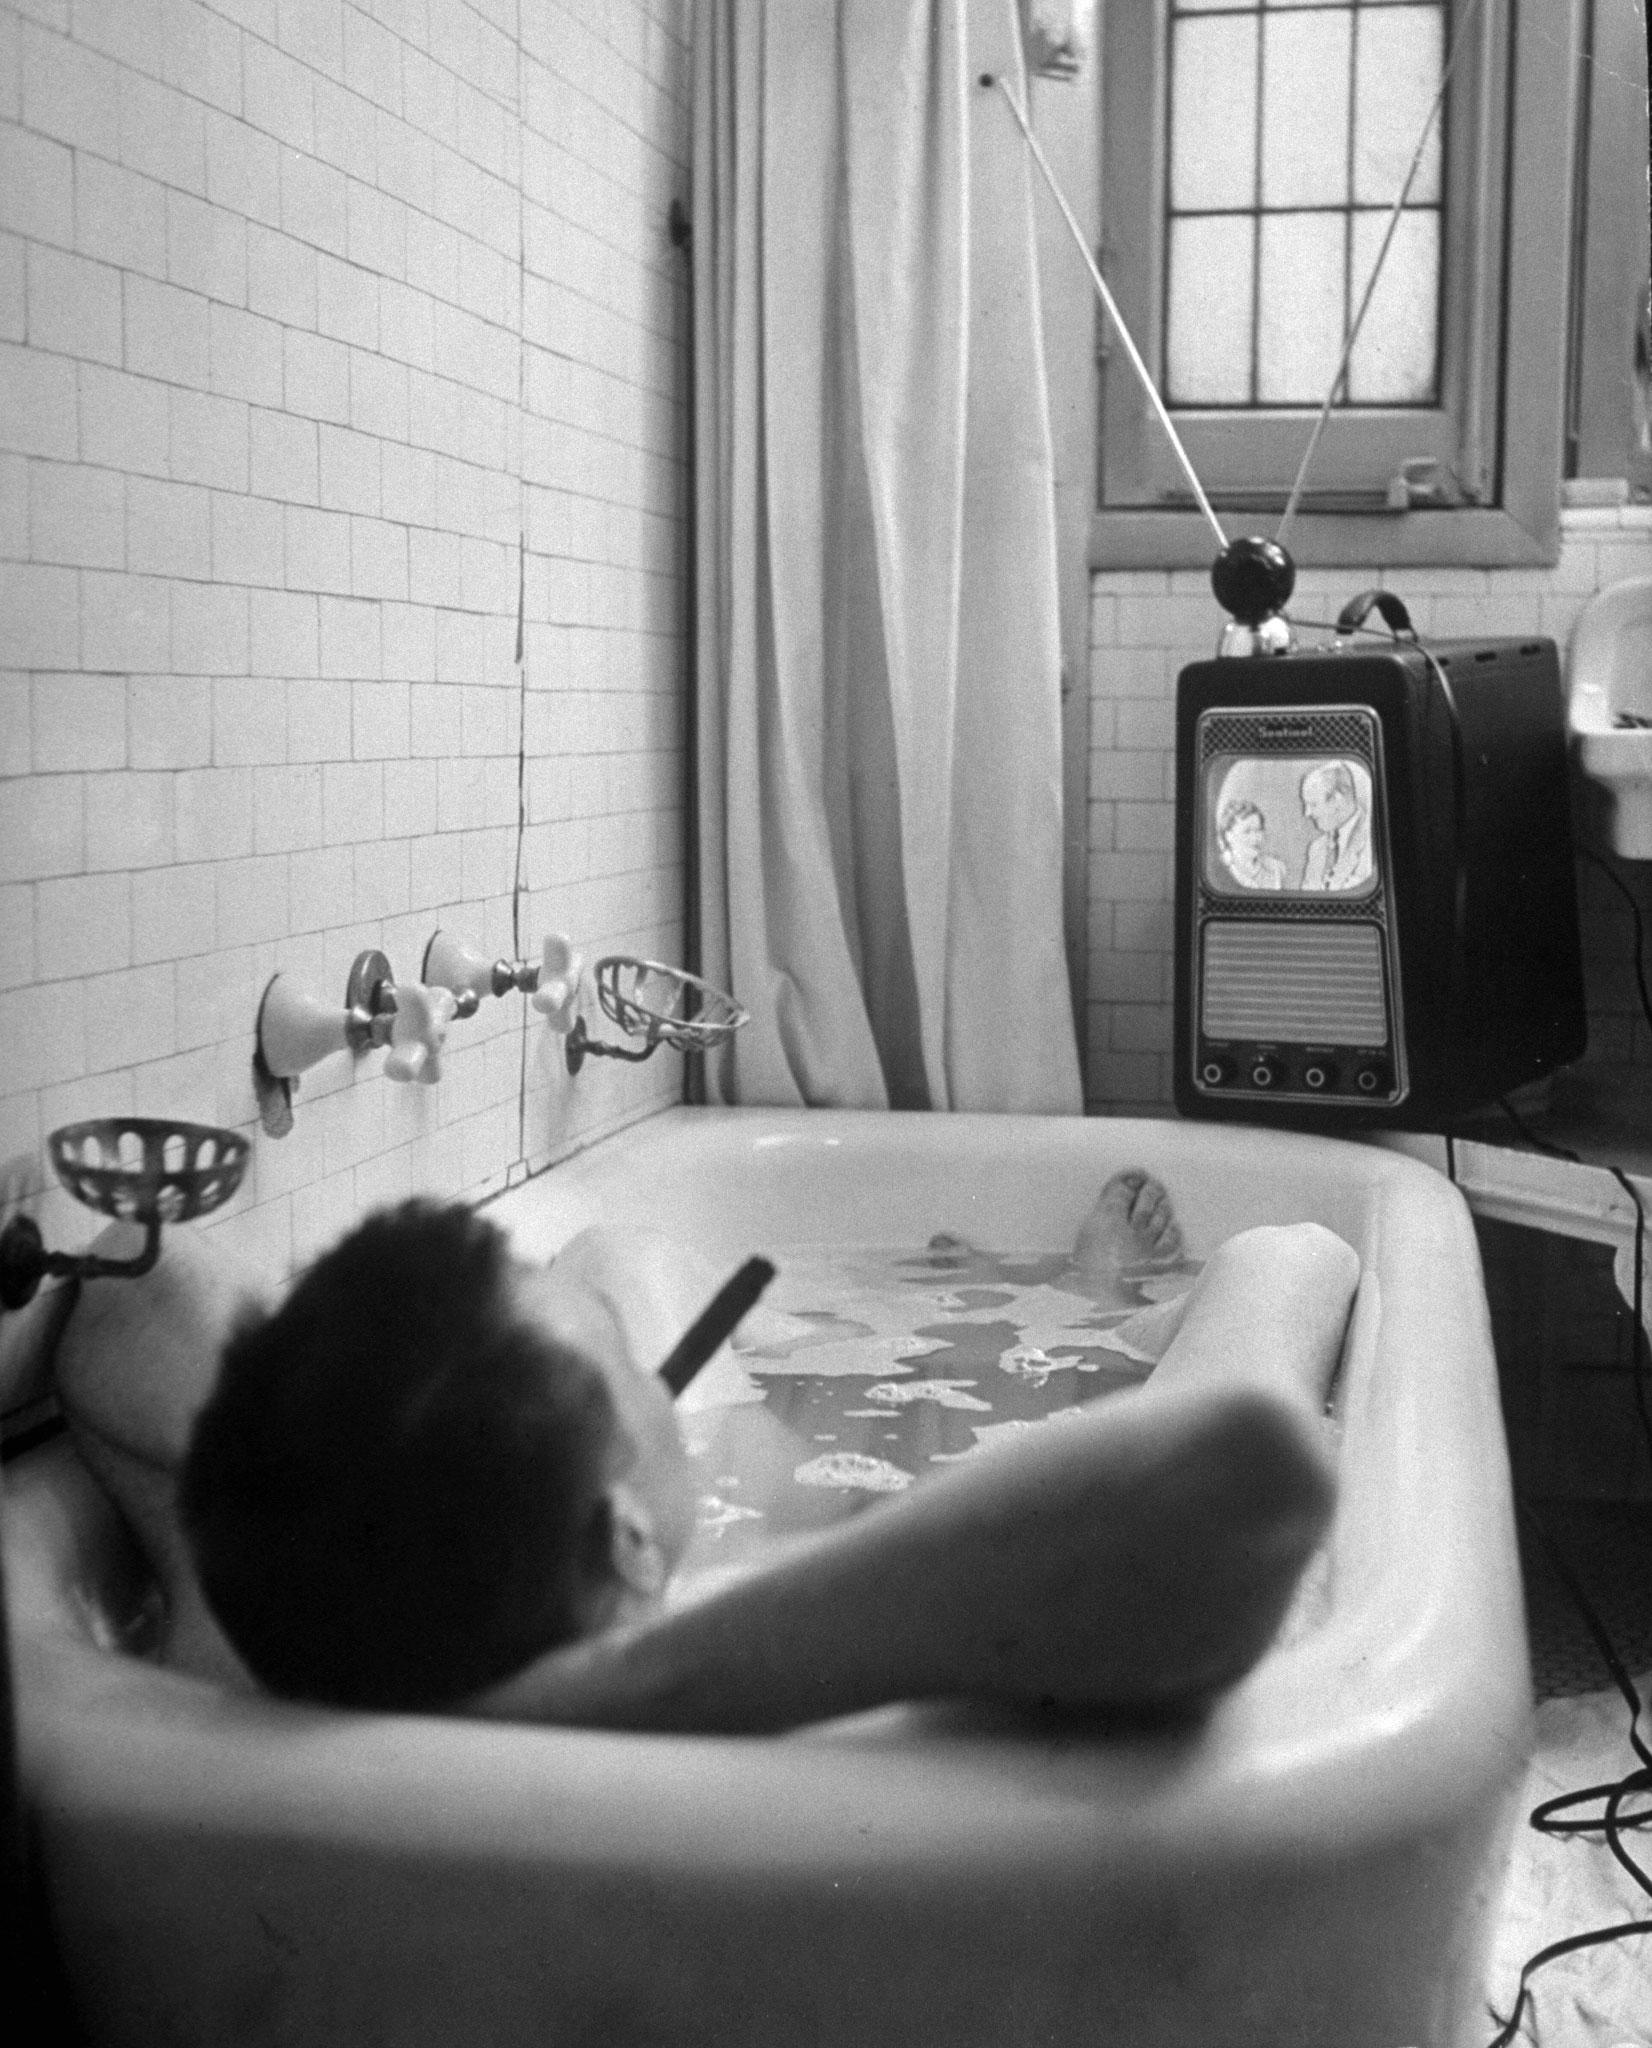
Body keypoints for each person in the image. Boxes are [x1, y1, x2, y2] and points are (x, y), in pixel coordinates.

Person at [49, 1172, 1359, 1732]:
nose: (657, 1367)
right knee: (1275, 1259)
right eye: (635, 1360)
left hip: (516, 1559)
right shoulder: (744, 1702)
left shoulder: (266, 1640)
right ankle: (1101, 1306)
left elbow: (130, 1282)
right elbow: (1253, 1464)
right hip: (938, 1561)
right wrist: (611, 1678)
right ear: (625, 1541)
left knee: (617, 1252)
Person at [1299, 760, 1373, 891]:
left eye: (1313, 804)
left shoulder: (1372, 839)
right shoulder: (1316, 849)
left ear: (1337, 799)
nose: (1307, 813)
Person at [1216, 798, 1287, 891]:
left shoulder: (1275, 869)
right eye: (1247, 831)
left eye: (1258, 830)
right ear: (1229, 836)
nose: (1255, 838)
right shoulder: (1220, 869)